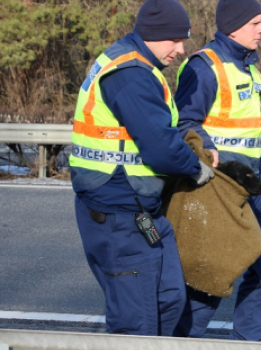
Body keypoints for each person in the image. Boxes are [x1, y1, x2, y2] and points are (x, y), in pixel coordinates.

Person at [69, 0, 214, 336]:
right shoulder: (130, 75)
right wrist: (195, 168)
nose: (181, 50)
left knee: (168, 297)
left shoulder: (138, 65)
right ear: (152, 34)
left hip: (139, 209)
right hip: (118, 211)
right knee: (136, 321)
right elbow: (161, 148)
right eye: (175, 40)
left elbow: (161, 129)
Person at [173, 0, 261, 341]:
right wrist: (211, 154)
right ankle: (175, 343)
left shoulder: (250, 69)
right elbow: (184, 123)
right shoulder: (203, 66)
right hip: (217, 190)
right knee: (212, 278)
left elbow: (248, 135)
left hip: (247, 189)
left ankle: (246, 343)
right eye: (255, 23)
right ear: (233, 25)